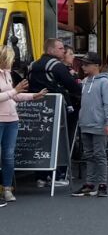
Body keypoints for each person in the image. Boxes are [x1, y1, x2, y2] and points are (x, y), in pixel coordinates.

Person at [27, 37, 81, 187]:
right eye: (60, 48)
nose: (63, 51)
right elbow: (71, 86)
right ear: (50, 50)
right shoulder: (56, 66)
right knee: (62, 141)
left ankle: (41, 176)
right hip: (58, 108)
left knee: (42, 141)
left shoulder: (32, 65)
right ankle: (59, 175)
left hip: (36, 109)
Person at [0, 46, 46, 204]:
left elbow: (14, 97)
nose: (13, 62)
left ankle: (7, 188)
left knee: (8, 155)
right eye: (10, 59)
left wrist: (34, 96)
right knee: (5, 155)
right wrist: (15, 91)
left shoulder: (7, 74)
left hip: (12, 119)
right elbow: (9, 95)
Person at [73, 53, 108, 198]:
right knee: (89, 155)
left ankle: (102, 184)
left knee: (100, 155)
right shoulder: (84, 82)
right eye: (83, 64)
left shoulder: (104, 82)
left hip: (99, 124)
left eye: (86, 64)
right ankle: (89, 183)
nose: (83, 67)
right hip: (86, 123)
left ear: (96, 66)